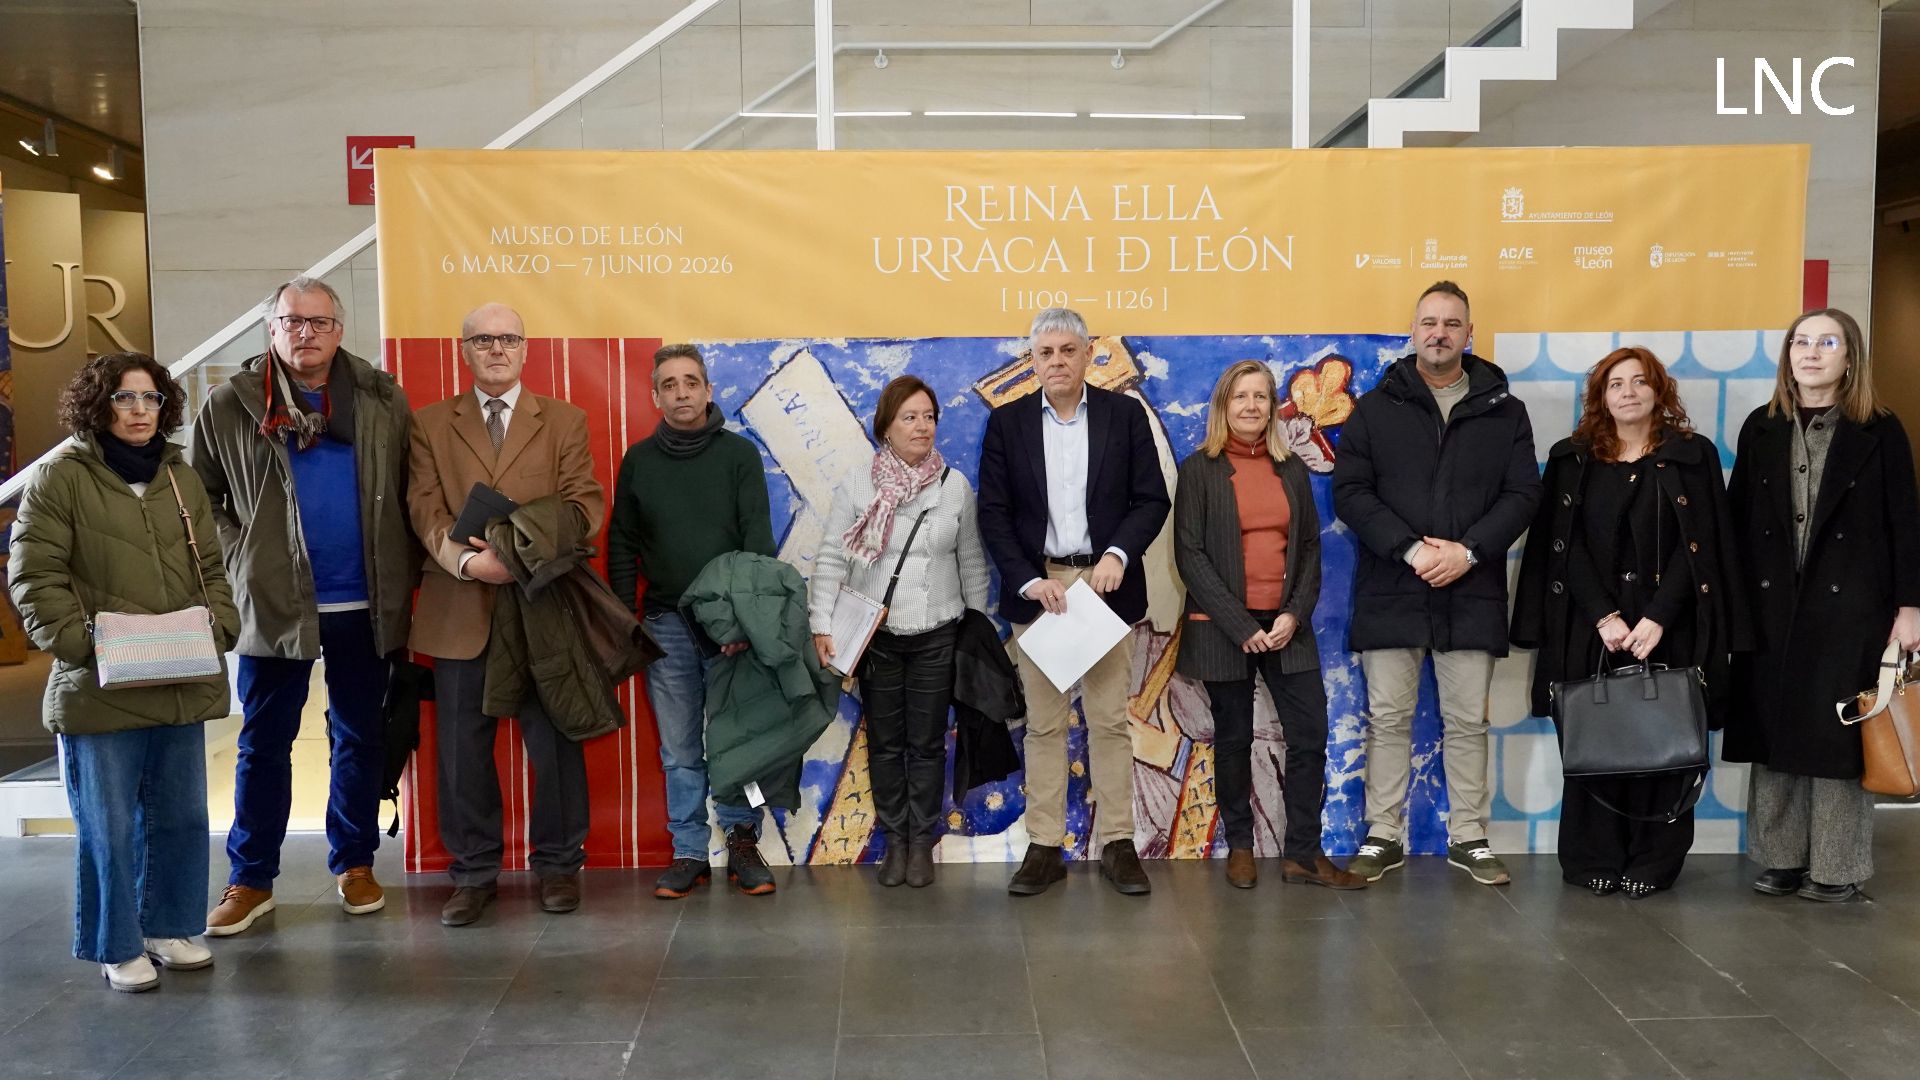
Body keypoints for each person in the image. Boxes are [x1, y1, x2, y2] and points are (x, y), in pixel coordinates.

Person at [191, 276, 415, 936]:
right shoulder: (232, 404)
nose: (306, 333)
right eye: (292, 322)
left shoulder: (380, 397)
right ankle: (251, 878)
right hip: (274, 604)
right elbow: (201, 500)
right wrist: (241, 559)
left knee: (359, 736)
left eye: (319, 323)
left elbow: (411, 484)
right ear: (272, 330)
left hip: (365, 602)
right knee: (263, 743)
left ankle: (355, 863)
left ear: (339, 330)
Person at [9, 353, 240, 991]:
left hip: (179, 670)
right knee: (107, 826)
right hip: (100, 682)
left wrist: (219, 626)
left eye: (150, 399)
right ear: (97, 405)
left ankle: (168, 927)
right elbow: (33, 574)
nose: (139, 411)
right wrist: (83, 645)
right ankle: (116, 943)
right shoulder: (62, 476)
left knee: (181, 817)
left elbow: (213, 569)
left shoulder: (178, 476)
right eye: (123, 398)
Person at [1512, 347, 1748, 898]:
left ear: (1658, 391)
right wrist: (1605, 616)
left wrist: (1659, 617)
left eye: (1640, 382)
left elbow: (1706, 547)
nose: (1628, 392)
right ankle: (1591, 856)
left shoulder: (1693, 456)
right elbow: (1561, 546)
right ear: (1600, 397)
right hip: (1591, 626)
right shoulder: (1571, 459)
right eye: (1615, 384)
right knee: (1594, 744)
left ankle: (1654, 861)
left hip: (1673, 626)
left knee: (1666, 746)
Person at [1331, 280, 1541, 886]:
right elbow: (1351, 491)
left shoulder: (1506, 410)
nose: (1440, 332)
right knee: (1389, 717)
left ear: (1468, 335)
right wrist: (1412, 548)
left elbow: (1524, 494)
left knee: (1466, 721)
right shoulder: (1375, 408)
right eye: (1429, 322)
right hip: (1393, 585)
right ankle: (1382, 835)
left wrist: (1470, 552)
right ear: (1413, 330)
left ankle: (1470, 836)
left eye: (1452, 323)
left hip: (1470, 591)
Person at [406, 303, 605, 926]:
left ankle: (558, 866)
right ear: (464, 350)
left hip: (542, 603)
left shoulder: (566, 420)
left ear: (525, 349)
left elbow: (584, 507)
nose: (496, 349)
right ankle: (471, 875)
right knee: (462, 751)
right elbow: (424, 508)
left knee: (555, 744)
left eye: (508, 339)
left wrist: (514, 556)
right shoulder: (429, 423)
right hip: (458, 604)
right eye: (483, 339)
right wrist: (468, 565)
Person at [1725, 308, 1920, 902]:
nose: (1811, 353)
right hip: (1771, 604)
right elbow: (1737, 523)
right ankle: (1782, 859)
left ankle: (1837, 868)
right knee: (1776, 731)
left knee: (1839, 737)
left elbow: (1905, 522)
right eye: (1801, 342)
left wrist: (1910, 607)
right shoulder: (1761, 427)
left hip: (1852, 607)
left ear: (1849, 356)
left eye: (1826, 342)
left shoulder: (1879, 429)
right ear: (1788, 355)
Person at [977, 308, 1171, 897]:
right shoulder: (1008, 425)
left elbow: (1151, 498)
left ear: (1088, 355)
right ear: (1031, 362)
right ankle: (1044, 848)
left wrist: (1118, 554)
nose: (1057, 361)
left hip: (1105, 589)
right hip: (1043, 593)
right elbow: (995, 514)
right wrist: (1028, 580)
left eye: (1068, 350)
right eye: (1045, 353)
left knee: (1111, 721)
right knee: (1043, 725)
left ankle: (1117, 843)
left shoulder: (1124, 414)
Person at [1173, 360, 1365, 891]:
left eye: (1260, 396)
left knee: (1310, 735)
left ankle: (1303, 853)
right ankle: (1240, 845)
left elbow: (1308, 549)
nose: (1251, 406)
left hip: (1286, 626)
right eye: (1240, 397)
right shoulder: (1199, 470)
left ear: (1272, 407)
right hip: (1222, 627)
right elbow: (1190, 556)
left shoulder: (1291, 470)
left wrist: (1292, 614)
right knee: (1233, 739)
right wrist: (1240, 625)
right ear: (1223, 407)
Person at [606, 344, 780, 899]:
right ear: (655, 396)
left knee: (736, 741)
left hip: (730, 632)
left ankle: (743, 844)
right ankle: (688, 851)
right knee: (679, 749)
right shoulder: (638, 462)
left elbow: (758, 545)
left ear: (708, 390)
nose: (681, 392)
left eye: (691, 382)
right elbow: (621, 546)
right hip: (666, 626)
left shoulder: (739, 457)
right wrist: (622, 620)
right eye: (669, 384)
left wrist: (744, 625)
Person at [807, 375, 991, 888]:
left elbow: (972, 562)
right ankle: (894, 838)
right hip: (877, 639)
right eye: (910, 417)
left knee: (928, 744)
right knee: (886, 743)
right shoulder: (858, 485)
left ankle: (920, 843)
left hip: (937, 634)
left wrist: (975, 630)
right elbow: (830, 559)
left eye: (929, 416)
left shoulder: (954, 486)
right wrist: (821, 623)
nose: (922, 426)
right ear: (885, 426)